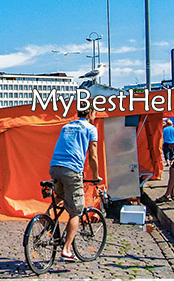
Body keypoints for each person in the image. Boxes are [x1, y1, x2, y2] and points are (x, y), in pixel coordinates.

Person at [47, 108, 101, 262]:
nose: (95, 117)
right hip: (72, 170)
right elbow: (93, 155)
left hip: (55, 167)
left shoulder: (66, 126)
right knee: (76, 211)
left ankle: (45, 219)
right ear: (90, 113)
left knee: (60, 196)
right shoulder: (91, 129)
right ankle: (66, 249)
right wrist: (96, 176)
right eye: (95, 114)